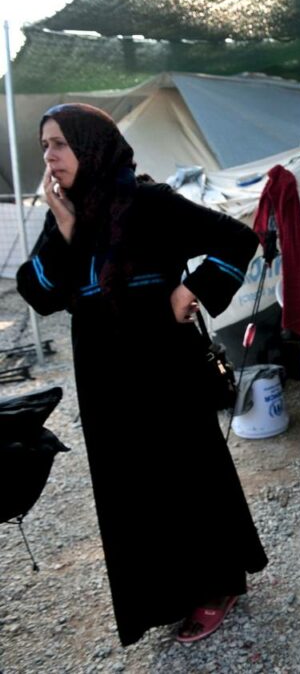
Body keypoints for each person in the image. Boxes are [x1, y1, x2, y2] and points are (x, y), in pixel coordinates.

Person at [17, 103, 267, 646]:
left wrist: (191, 289)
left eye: (59, 144)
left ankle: (217, 584)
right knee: (129, 487)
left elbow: (238, 238)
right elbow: (39, 293)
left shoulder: (149, 203)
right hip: (103, 377)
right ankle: (166, 596)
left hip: (162, 367)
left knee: (185, 474)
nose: (49, 157)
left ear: (91, 147)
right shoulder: (66, 213)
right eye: (44, 147)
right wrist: (64, 231)